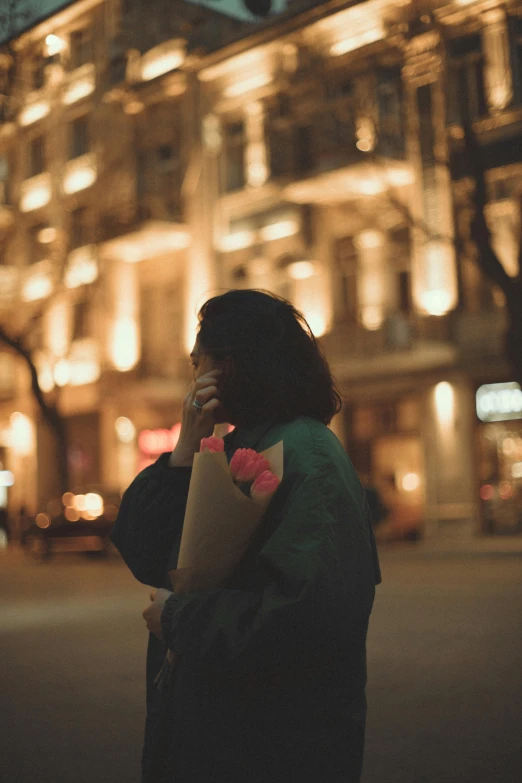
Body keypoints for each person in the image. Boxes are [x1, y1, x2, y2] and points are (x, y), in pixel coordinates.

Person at [111, 289, 382, 783]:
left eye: (199, 363)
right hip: (215, 734)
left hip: (275, 744)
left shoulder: (309, 454)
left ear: (230, 365)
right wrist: (185, 448)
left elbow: (311, 615)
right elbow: (146, 549)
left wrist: (180, 617)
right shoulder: (229, 444)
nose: (192, 379)